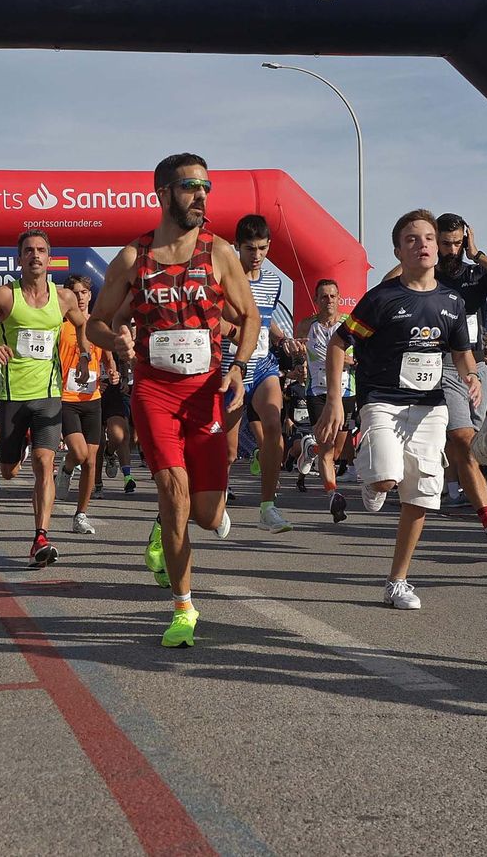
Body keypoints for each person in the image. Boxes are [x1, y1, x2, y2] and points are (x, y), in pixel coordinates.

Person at [86, 153, 259, 647]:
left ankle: (166, 528)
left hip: (206, 394)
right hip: (154, 392)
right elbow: (97, 321)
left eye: (206, 187)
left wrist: (240, 370)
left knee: (205, 515)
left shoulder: (220, 253)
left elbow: (248, 317)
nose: (201, 195)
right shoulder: (131, 258)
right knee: (174, 492)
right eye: (190, 187)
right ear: (163, 194)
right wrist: (113, 340)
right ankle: (184, 608)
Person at [315, 209, 478, 610]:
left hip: (429, 408)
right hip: (383, 402)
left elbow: (461, 354)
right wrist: (335, 399)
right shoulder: (383, 299)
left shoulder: (452, 302)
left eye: (427, 238)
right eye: (411, 239)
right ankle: (373, 477)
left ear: (437, 249)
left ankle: (398, 581)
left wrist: (471, 376)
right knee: (387, 481)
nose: (422, 244)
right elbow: (339, 344)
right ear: (398, 252)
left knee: (421, 494)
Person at [386, 213, 487, 552]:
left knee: (470, 446)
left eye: (456, 243)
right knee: (463, 440)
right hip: (441, 365)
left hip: (476, 366)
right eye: (443, 243)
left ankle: (465, 470)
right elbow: (385, 288)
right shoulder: (425, 274)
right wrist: (413, 259)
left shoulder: (476, 274)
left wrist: (477, 254)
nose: (450, 250)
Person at [0, 230, 89, 567]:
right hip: (12, 396)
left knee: (44, 463)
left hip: (48, 394)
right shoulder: (6, 295)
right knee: (10, 472)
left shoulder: (63, 299)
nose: (36, 255)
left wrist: (86, 352)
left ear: (49, 257)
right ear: (20, 259)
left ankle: (41, 537)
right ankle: (17, 450)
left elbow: (82, 323)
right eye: (29, 250)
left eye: (41, 250)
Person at [220, 215, 295, 533]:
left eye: (263, 248)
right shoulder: (224, 279)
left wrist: (282, 337)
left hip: (264, 366)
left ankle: (268, 507)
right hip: (231, 369)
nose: (257, 255)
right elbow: (218, 322)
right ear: (237, 246)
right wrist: (236, 330)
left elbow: (265, 319)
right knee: (230, 450)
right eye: (250, 248)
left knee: (274, 424)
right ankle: (219, 504)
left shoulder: (274, 282)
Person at [295, 279, 356, 521]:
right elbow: (298, 353)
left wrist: (349, 361)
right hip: (318, 392)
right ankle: (333, 495)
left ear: (339, 298)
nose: (329, 300)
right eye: (324, 297)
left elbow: (365, 353)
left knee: (337, 449)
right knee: (328, 449)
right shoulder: (306, 325)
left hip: (345, 393)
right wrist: (300, 364)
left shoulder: (349, 324)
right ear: (316, 300)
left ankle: (310, 449)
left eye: (333, 296)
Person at [54, 273, 107, 535]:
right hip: (67, 398)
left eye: (84, 292)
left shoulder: (97, 324)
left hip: (92, 398)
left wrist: (112, 371)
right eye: (74, 292)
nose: (80, 297)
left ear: (90, 295)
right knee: (80, 452)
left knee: (91, 462)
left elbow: (106, 352)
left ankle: (81, 515)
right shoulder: (60, 325)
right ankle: (65, 469)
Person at [100, 355, 137, 494]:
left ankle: (126, 475)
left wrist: (125, 381)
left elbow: (123, 361)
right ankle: (97, 483)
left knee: (120, 436)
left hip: (114, 390)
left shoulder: (114, 337)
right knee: (98, 441)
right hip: (89, 390)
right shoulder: (82, 337)